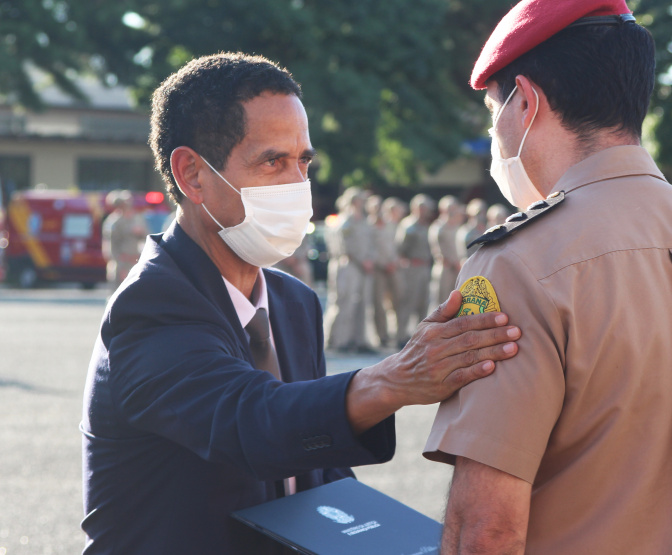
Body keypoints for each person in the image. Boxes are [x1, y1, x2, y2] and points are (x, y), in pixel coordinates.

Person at [422, 2, 672, 553]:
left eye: (495, 111)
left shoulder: (516, 266)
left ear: (527, 101)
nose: (496, 130)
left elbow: (487, 529)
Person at [80, 53, 521, 555]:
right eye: (273, 162)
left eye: (303, 162)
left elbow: (317, 469)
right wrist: (394, 379)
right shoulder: (151, 305)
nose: (297, 184)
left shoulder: (292, 302)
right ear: (193, 174)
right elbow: (248, 421)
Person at [324, 187, 375, 352]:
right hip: (348, 265)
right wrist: (363, 261)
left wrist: (370, 260)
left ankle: (359, 340)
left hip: (363, 267)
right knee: (343, 302)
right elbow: (346, 246)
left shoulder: (364, 221)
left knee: (362, 303)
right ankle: (338, 340)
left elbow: (370, 243)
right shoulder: (345, 221)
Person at [395, 194, 435, 347]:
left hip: (424, 267)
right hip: (412, 268)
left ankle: (419, 336)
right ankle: (401, 336)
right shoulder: (408, 226)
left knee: (423, 303)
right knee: (408, 302)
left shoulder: (426, 225)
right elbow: (400, 249)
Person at [369, 197, 406, 347]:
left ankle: (399, 334)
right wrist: (383, 264)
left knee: (398, 301)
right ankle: (382, 336)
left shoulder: (392, 226)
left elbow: (397, 247)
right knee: (379, 304)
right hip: (378, 270)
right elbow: (370, 250)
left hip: (393, 268)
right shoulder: (369, 227)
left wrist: (395, 262)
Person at [101, 190, 147, 289]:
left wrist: (141, 232)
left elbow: (147, 237)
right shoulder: (114, 222)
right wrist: (121, 267)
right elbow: (112, 247)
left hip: (136, 261)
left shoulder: (137, 218)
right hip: (121, 263)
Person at [428, 195, 464, 310]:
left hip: (458, 269)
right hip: (444, 268)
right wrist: (453, 262)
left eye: (454, 208)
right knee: (441, 302)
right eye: (449, 208)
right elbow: (438, 252)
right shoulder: (438, 227)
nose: (452, 211)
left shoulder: (458, 227)